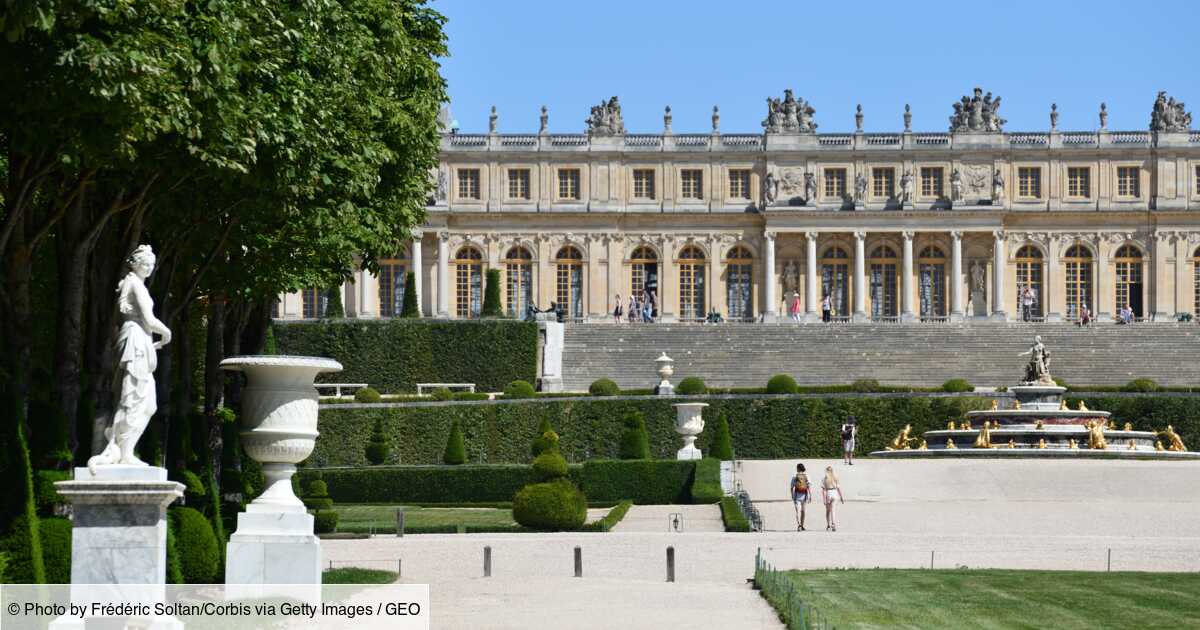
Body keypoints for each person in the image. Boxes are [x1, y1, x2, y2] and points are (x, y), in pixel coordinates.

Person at [820, 466, 845, 532]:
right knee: (833, 509)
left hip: (828, 493)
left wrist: (824, 499)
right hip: (834, 493)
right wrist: (841, 497)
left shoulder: (824, 478)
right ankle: (833, 524)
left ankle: (828, 525)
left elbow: (823, 490)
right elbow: (838, 488)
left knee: (828, 511)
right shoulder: (835, 478)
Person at [789, 463, 811, 531]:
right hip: (804, 495)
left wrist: (792, 495)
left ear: (798, 468)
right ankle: (802, 525)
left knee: (797, 511)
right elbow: (809, 486)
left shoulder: (794, 476)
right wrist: (810, 495)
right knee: (803, 511)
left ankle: (799, 525)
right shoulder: (807, 475)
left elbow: (791, 487)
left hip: (797, 495)